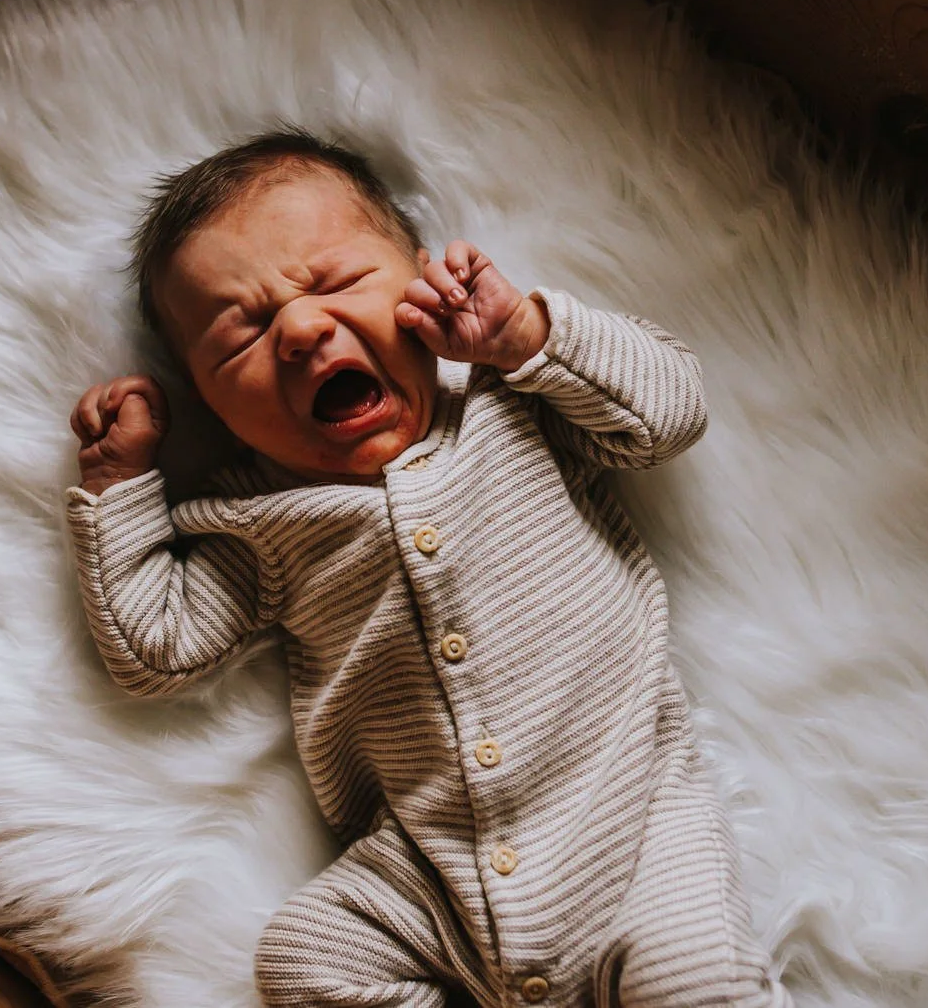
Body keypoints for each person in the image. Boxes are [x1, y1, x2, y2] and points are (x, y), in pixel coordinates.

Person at [66, 129, 789, 1007]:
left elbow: (670, 412)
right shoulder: (255, 522)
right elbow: (157, 649)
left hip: (630, 824)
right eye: (241, 334)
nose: (299, 327)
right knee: (303, 959)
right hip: (432, 873)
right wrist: (120, 485)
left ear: (421, 273)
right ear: (204, 399)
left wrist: (527, 333)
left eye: (333, 282)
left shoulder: (506, 401)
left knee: (699, 982)